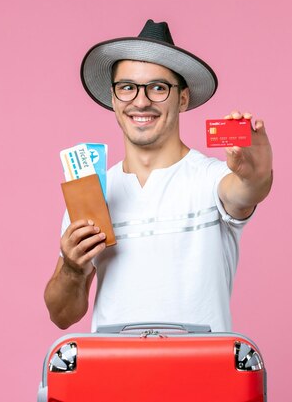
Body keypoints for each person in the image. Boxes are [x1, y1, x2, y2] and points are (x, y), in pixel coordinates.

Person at [44, 20, 273, 332]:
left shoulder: (210, 179)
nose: (141, 101)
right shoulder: (93, 192)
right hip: (116, 375)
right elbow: (62, 315)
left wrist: (256, 172)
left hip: (202, 375)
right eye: (127, 87)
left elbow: (246, 190)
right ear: (113, 99)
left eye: (157, 87)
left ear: (181, 98)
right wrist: (72, 267)